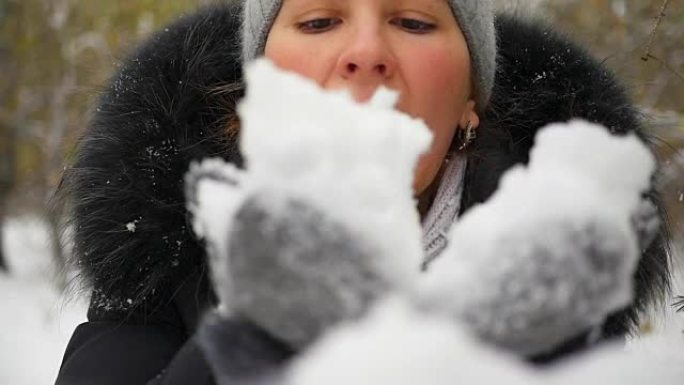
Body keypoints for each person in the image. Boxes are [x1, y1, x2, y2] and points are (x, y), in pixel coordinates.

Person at [54, 1, 671, 384]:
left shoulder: (567, 288)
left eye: (412, 21)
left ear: (469, 106)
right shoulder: (162, 279)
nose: (367, 52)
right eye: (320, 21)